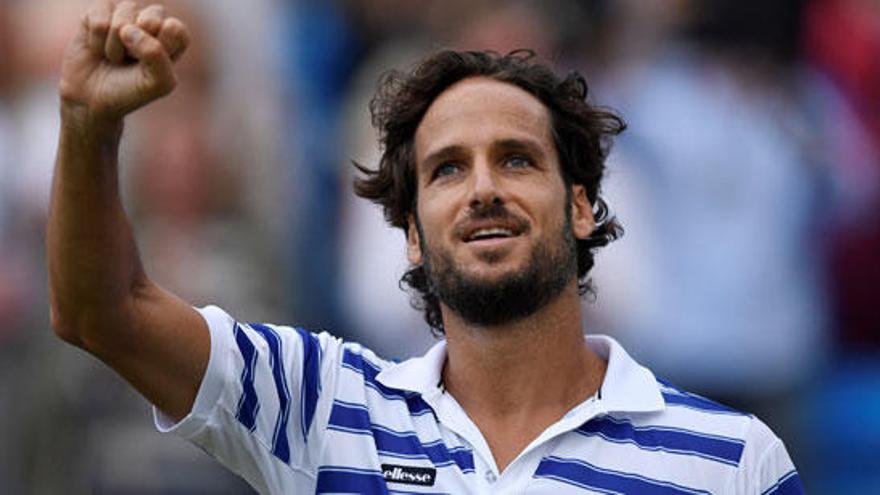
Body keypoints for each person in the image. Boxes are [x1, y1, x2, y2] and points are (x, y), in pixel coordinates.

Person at [48, 1, 804, 493]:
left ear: (581, 206)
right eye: (447, 169)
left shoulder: (733, 460)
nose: (482, 188)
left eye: (516, 158)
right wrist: (89, 126)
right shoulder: (322, 404)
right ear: (411, 232)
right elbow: (101, 311)